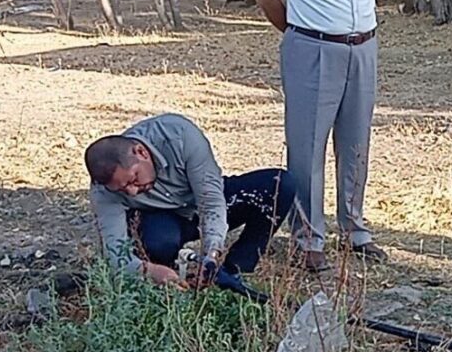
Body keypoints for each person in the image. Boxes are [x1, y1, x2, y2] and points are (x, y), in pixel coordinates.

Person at [254, 0, 388, 272]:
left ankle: (354, 230)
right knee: (308, 146)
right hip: (312, 49)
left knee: (355, 143)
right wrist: (300, 35)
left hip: (362, 49)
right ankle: (308, 239)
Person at [85, 113, 295, 291]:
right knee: (158, 243)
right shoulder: (102, 191)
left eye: (133, 179)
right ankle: (170, 281)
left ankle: (235, 271)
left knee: (279, 185)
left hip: (200, 200)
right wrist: (149, 271)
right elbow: (116, 255)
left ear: (141, 152)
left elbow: (211, 201)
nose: (131, 192)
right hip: (160, 221)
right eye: (122, 190)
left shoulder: (178, 134)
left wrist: (211, 254)